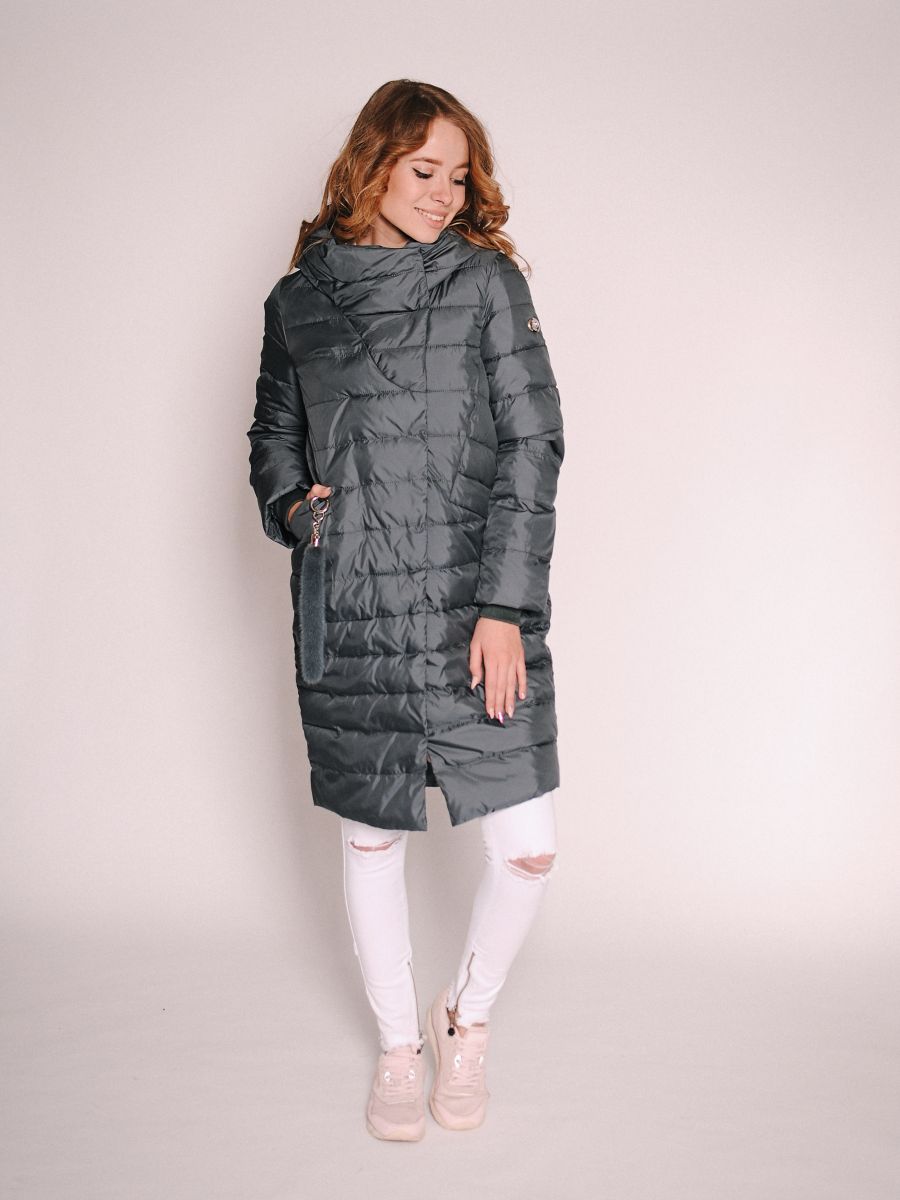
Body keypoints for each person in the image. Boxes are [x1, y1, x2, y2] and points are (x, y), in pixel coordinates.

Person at [246, 79, 565, 1141]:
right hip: (356, 600)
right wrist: (298, 509)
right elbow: (272, 437)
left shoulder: (484, 281)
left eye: (458, 176)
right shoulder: (297, 301)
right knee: (374, 840)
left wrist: (506, 607)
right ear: (370, 165)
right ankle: (397, 1047)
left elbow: (533, 444)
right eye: (424, 169)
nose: (443, 193)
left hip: (475, 605)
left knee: (526, 847)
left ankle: (464, 1017)